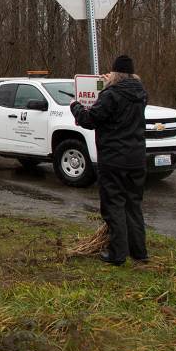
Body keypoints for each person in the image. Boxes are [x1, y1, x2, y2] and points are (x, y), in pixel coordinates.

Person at [70, 55, 149, 265]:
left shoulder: (111, 94)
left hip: (113, 159)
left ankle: (117, 254)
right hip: (137, 158)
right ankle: (139, 252)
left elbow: (90, 119)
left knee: (113, 205)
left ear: (114, 73)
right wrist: (107, 86)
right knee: (133, 205)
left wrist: (75, 107)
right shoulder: (141, 94)